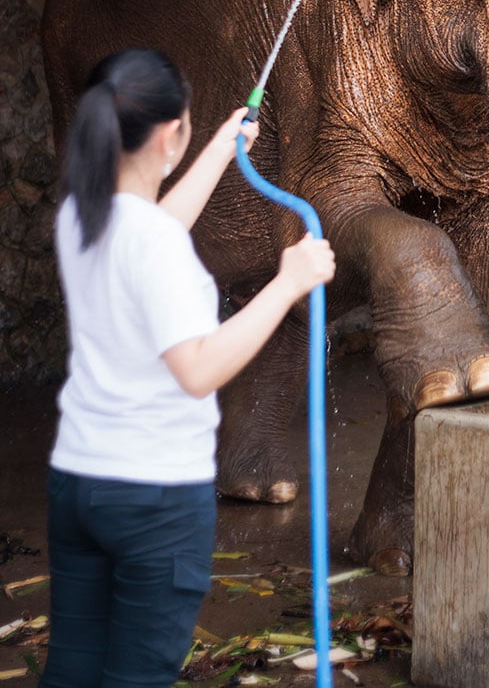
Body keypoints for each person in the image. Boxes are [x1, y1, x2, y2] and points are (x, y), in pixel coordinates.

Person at [40, 48, 335, 688]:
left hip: (80, 484)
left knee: (72, 668)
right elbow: (197, 370)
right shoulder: (154, 246)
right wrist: (287, 286)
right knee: (136, 676)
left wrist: (220, 152)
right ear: (171, 130)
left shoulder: (80, 218)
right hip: (154, 500)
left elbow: (154, 232)